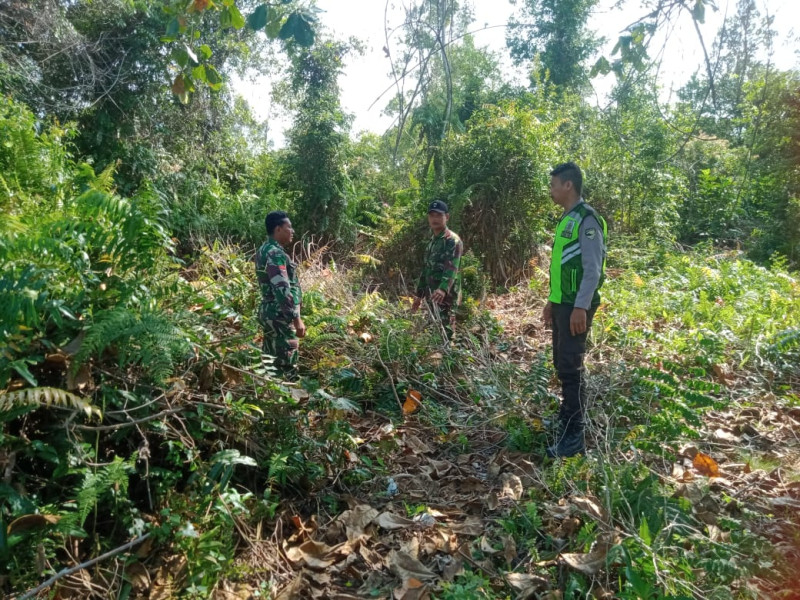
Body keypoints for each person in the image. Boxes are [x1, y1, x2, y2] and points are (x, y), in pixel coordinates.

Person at [541, 162, 607, 458]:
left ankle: (574, 437)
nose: (551, 190)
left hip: (576, 306)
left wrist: (580, 306)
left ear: (568, 185)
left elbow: (592, 270)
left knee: (571, 367)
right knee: (562, 364)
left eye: (554, 184)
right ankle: (566, 420)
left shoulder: (587, 220)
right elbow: (563, 268)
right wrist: (551, 302)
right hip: (563, 304)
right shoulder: (567, 219)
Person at [255, 211, 306, 379]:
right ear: (278, 229)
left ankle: (271, 390)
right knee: (286, 362)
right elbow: (282, 288)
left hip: (270, 312)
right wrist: (296, 318)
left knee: (271, 360)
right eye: (288, 227)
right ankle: (289, 391)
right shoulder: (275, 253)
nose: (292, 231)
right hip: (280, 315)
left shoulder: (264, 250)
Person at [411, 199, 464, 337]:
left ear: (447, 217)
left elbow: (452, 267)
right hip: (432, 295)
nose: (435, 219)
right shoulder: (432, 242)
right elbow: (426, 270)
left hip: (446, 296)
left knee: (446, 331)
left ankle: (450, 349)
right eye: (432, 215)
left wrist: (443, 289)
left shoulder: (452, 240)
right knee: (434, 331)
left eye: (439, 215)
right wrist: (419, 295)